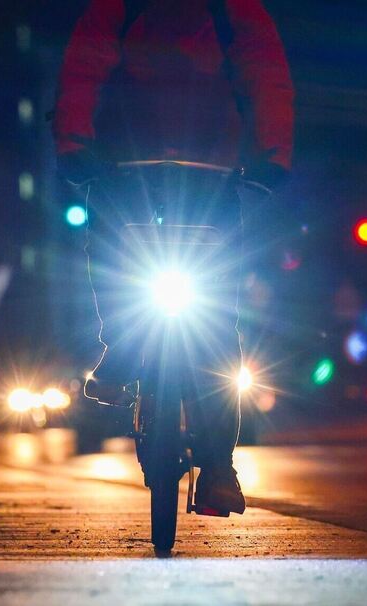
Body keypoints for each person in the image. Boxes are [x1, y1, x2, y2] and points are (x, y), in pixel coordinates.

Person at [54, 0, 294, 515]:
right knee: (120, 261)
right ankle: (122, 351)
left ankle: (218, 468)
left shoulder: (234, 12)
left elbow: (265, 76)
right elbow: (84, 71)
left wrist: (271, 155)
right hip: (131, 168)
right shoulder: (118, 8)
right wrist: (76, 142)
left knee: (211, 319)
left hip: (207, 171)